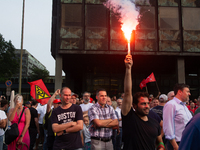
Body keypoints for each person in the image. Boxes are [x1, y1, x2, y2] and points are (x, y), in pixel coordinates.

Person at [122, 55, 164, 150]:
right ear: (134, 105)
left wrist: (161, 148)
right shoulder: (129, 118)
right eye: (143, 104)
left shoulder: (154, 122)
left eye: (148, 103)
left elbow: (159, 140)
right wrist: (128, 69)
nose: (147, 106)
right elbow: (128, 92)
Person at [163, 83, 192, 150]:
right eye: (187, 91)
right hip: (177, 144)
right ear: (180, 92)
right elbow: (168, 126)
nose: (189, 94)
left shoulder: (184, 106)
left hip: (186, 142)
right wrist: (175, 146)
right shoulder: (171, 104)